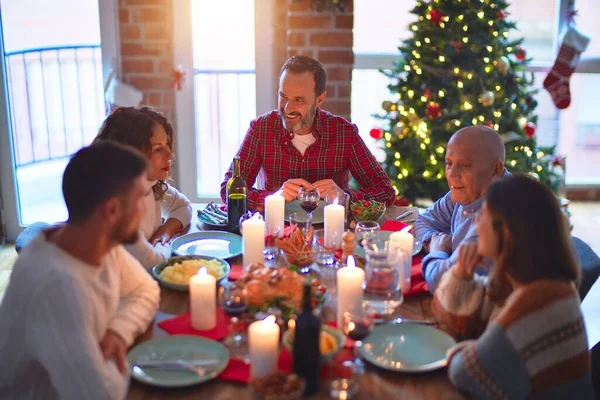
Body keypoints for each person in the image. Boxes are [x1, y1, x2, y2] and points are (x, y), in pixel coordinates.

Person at [0, 142, 160, 399]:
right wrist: (116, 361)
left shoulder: (101, 240)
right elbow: (103, 393)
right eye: (141, 197)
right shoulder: (56, 285)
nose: (145, 207)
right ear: (111, 211)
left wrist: (118, 332)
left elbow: (146, 289)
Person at [433, 175, 593, 399]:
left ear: (506, 231)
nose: (476, 221)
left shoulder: (540, 301)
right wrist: (462, 272)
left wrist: (464, 349)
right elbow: (458, 315)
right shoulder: (523, 281)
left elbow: (466, 373)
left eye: (484, 214)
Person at [219, 55, 395, 211]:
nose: (287, 109)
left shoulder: (344, 133)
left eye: (299, 100)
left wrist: (345, 197)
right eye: (283, 96)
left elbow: (385, 191)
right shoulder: (261, 129)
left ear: (320, 99)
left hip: (330, 234)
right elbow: (228, 189)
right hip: (276, 234)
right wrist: (273, 198)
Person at [414, 125, 509, 293]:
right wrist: (433, 241)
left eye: (464, 165)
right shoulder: (468, 190)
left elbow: (441, 284)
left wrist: (438, 251)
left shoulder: (495, 219)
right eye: (449, 163)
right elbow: (424, 219)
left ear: (496, 169)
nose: (451, 174)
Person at [94, 107, 192, 268]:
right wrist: (162, 245)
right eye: (158, 149)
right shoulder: (117, 207)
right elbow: (152, 262)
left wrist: (163, 233)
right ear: (130, 154)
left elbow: (183, 206)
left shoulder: (152, 185)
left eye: (167, 144)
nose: (170, 155)